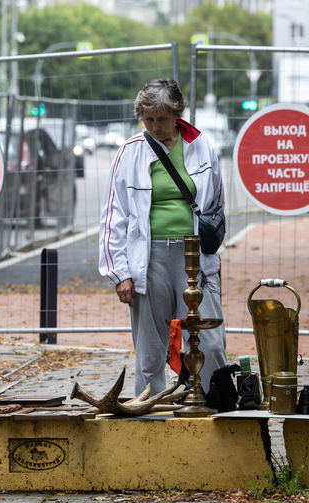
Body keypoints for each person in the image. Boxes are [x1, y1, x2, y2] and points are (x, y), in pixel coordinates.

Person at [98, 78, 227, 397]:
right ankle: (150, 406)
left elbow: (217, 204)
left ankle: (215, 401)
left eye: (162, 119)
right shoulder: (130, 152)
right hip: (149, 258)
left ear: (178, 113)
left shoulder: (203, 146)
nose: (154, 126)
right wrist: (120, 273)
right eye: (148, 118)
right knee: (151, 346)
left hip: (195, 258)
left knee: (209, 339)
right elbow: (114, 215)